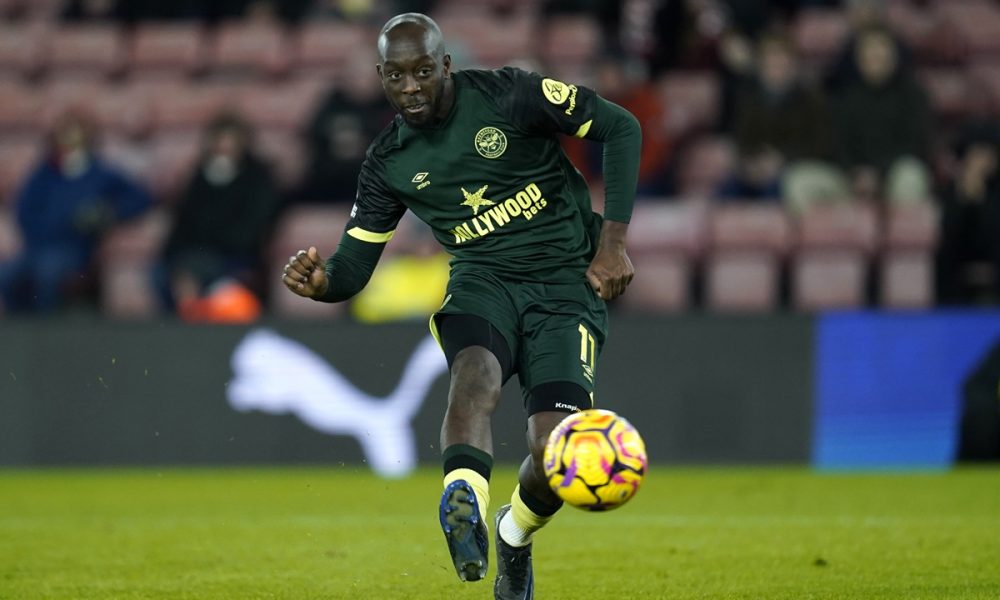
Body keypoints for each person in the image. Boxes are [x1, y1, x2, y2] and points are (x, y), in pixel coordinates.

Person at [280, 13, 640, 599]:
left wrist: (614, 244)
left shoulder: (511, 95)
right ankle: (464, 497)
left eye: (424, 70)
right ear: (380, 78)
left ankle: (514, 536)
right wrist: (323, 283)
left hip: (565, 287)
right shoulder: (389, 161)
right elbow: (351, 269)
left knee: (555, 454)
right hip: (483, 282)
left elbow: (621, 128)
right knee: (474, 377)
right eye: (396, 76)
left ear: (446, 64)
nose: (412, 86)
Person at [0, 109, 151, 313]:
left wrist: (108, 214)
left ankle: (44, 330)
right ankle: (19, 327)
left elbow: (140, 197)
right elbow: (24, 211)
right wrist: (39, 232)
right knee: (7, 275)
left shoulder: (101, 174)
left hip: (75, 250)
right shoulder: (44, 174)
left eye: (77, 133)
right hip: (36, 248)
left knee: (49, 273)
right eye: (65, 133)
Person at [156, 111, 282, 321]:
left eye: (231, 141)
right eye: (219, 140)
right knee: (162, 274)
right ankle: (187, 314)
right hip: (191, 255)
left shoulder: (258, 178)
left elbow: (253, 227)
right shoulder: (198, 177)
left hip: (235, 256)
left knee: (214, 288)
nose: (225, 147)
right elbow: (182, 222)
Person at [830, 24, 932, 204]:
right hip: (851, 179)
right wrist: (855, 173)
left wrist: (878, 173)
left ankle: (904, 232)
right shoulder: (846, 98)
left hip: (894, 175)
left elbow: (917, 145)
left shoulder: (914, 95)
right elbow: (838, 145)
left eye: (881, 48)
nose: (876, 55)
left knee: (911, 173)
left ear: (894, 55)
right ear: (858, 57)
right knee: (803, 180)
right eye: (869, 49)